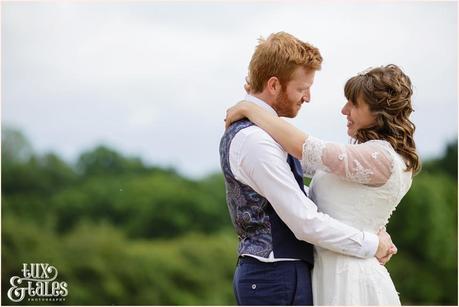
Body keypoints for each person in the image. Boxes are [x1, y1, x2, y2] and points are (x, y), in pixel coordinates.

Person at [219, 31, 397, 306]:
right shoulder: (255, 140)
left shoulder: (263, 133)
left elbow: (300, 195)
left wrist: (371, 225)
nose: (308, 98)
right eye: (302, 89)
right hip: (274, 276)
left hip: (281, 274)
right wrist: (372, 244)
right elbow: (304, 221)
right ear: (274, 85)